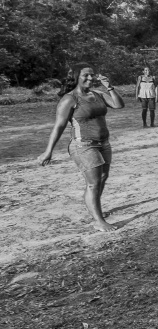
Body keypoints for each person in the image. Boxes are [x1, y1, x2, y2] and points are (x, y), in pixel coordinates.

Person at [37, 63, 125, 232]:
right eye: (86, 75)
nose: (90, 78)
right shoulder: (69, 99)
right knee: (93, 183)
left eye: (92, 75)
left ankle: (95, 211)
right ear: (76, 77)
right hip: (83, 145)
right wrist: (49, 151)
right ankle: (98, 221)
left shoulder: (98, 94)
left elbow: (118, 105)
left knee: (103, 177)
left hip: (104, 143)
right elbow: (59, 126)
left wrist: (109, 86)